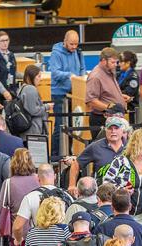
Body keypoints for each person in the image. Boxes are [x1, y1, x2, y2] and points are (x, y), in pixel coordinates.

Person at [102, 128, 142, 217]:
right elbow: (106, 183)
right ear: (137, 143)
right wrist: (121, 190)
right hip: (122, 213)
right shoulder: (121, 161)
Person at [12, 164, 71, 245]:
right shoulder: (67, 196)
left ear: (37, 178)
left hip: (39, 245)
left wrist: (18, 240)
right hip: (63, 245)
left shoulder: (30, 197)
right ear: (55, 176)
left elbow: (17, 227)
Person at [66, 116, 127, 193]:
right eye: (110, 128)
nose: (113, 131)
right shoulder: (95, 147)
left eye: (116, 128)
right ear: (105, 130)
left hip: (125, 194)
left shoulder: (130, 146)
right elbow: (76, 163)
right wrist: (72, 185)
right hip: (102, 194)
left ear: (122, 130)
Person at [48, 30, 84, 158]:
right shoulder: (56, 53)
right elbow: (55, 73)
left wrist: (81, 77)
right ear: (65, 42)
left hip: (74, 95)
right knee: (59, 127)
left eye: (76, 44)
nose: (74, 47)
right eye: (71, 44)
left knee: (72, 128)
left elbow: (81, 69)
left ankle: (69, 154)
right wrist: (69, 75)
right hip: (58, 94)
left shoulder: (78, 52)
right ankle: (55, 156)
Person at [86, 47, 127, 134]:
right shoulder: (96, 76)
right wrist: (109, 108)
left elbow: (105, 92)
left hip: (114, 118)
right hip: (101, 119)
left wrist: (120, 96)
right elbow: (91, 101)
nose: (116, 64)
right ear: (104, 61)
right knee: (104, 147)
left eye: (116, 62)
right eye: (113, 62)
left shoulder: (109, 71)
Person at [16, 64, 51, 138]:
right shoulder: (30, 89)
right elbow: (33, 110)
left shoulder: (22, 88)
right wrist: (47, 107)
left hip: (27, 131)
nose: (40, 79)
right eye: (38, 76)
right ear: (32, 77)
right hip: (33, 130)